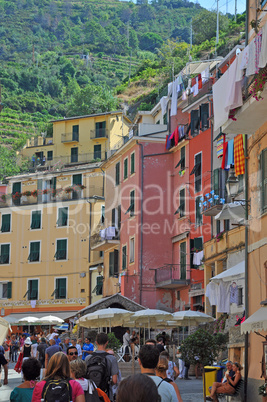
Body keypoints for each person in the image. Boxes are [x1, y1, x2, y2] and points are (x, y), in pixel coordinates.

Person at [85, 332, 119, 401]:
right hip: (106, 393)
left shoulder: (88, 358)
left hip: (91, 393)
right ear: (107, 342)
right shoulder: (111, 358)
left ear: (96, 342)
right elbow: (115, 380)